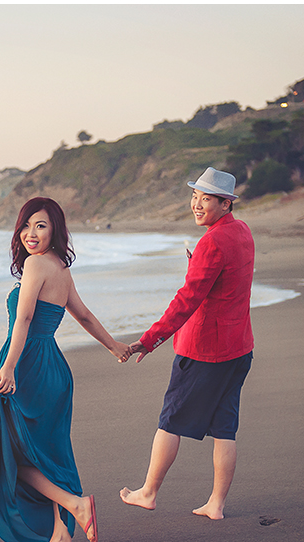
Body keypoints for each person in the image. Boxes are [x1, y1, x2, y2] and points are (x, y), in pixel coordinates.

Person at [0, 197, 131, 542]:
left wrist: (9, 367)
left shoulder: (36, 265)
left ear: (55, 229)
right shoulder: (59, 267)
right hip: (54, 369)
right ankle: (61, 540)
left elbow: (24, 319)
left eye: (40, 225)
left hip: (28, 366)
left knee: (4, 450)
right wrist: (113, 347)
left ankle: (76, 504)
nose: (31, 233)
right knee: (49, 457)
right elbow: (84, 315)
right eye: (27, 225)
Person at [120, 167, 255, 520]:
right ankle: (216, 504)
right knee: (225, 427)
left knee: (170, 420)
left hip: (205, 350)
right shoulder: (241, 232)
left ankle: (148, 492)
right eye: (194, 196)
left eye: (205, 199)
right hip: (239, 347)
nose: (196, 204)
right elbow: (226, 285)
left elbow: (187, 300)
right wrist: (198, 264)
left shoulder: (211, 242)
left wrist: (149, 340)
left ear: (226, 204)